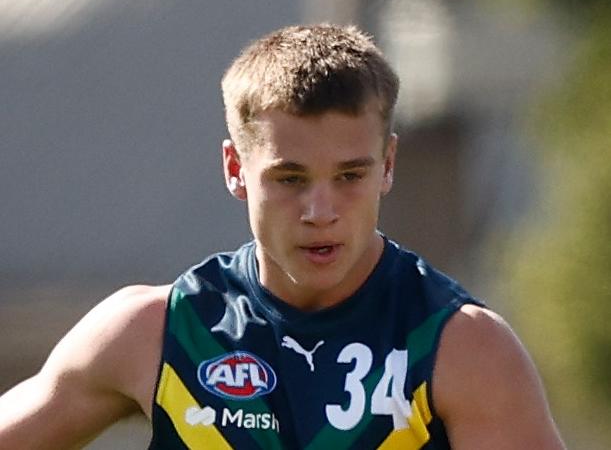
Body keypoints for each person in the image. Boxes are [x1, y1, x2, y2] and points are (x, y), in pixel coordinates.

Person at [0, 23, 566, 450]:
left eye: (351, 175)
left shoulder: (463, 350)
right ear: (234, 169)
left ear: (388, 163)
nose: (320, 211)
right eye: (289, 178)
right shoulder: (158, 332)